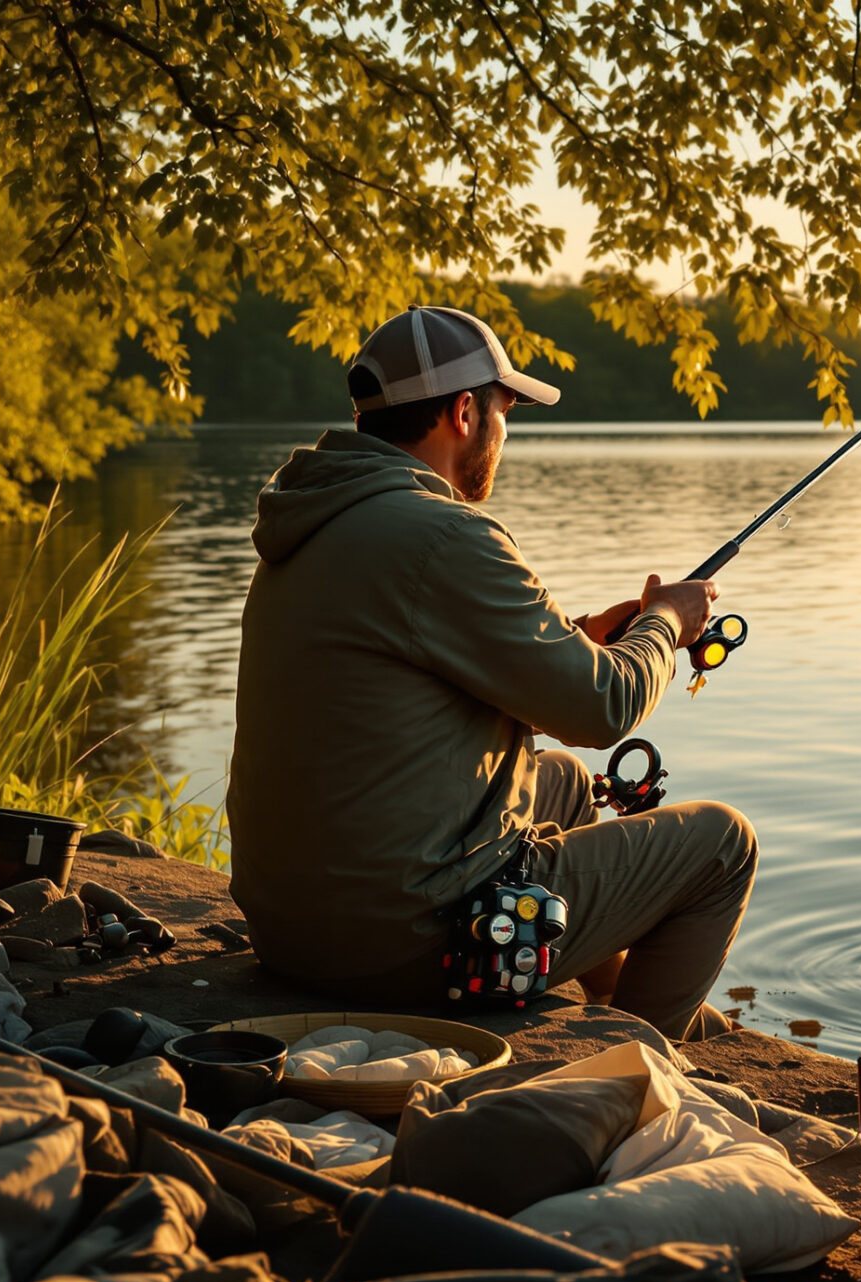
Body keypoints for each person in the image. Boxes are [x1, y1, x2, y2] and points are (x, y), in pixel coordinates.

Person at [226, 305, 756, 1039]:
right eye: (506, 410)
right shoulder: (445, 533)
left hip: (293, 931)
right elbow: (604, 706)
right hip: (402, 947)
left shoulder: (320, 519)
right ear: (465, 413)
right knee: (724, 844)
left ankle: (613, 995)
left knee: (562, 782)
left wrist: (579, 639)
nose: (506, 432)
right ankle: (633, 1062)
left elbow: (415, 681)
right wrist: (667, 621)